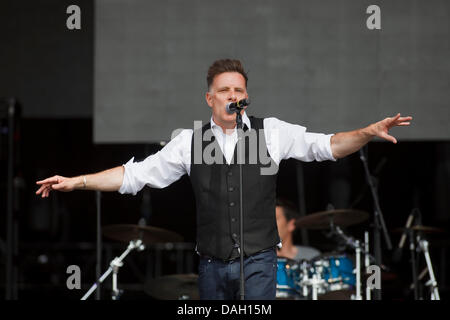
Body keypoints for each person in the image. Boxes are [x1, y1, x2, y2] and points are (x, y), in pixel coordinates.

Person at [36, 59, 412, 300]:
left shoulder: (271, 132)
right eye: (225, 90)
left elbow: (327, 146)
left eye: (239, 90)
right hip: (212, 266)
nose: (234, 95)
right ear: (209, 98)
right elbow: (135, 175)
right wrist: (78, 181)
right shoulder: (190, 141)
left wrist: (366, 131)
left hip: (260, 263)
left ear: (246, 97)